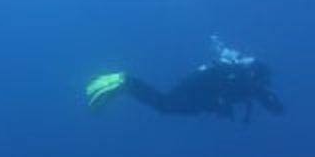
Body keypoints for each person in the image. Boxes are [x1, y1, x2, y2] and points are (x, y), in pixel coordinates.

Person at [86, 38, 285, 122]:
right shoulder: (247, 82)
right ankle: (125, 82)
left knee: (165, 105)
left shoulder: (243, 79)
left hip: (194, 88)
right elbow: (275, 107)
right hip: (197, 93)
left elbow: (273, 106)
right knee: (165, 106)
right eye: (265, 80)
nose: (266, 84)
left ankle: (122, 84)